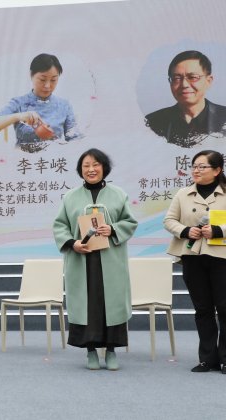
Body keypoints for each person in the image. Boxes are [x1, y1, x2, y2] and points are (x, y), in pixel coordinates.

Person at [53, 148, 137, 370]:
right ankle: (90, 351)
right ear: (80, 170)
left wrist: (113, 229)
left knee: (111, 305)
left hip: (111, 260)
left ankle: (111, 351)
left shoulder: (118, 194)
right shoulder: (70, 197)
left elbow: (130, 222)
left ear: (104, 168)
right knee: (87, 306)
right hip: (82, 260)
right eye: (86, 166)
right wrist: (73, 243)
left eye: (95, 165)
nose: (91, 169)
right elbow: (60, 225)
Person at [164, 150, 226, 374]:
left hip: (222, 257)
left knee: (225, 308)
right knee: (202, 309)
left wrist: (219, 230)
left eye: (202, 167)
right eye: (194, 166)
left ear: (217, 170)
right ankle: (207, 359)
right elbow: (169, 220)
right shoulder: (183, 193)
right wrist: (185, 230)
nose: (196, 170)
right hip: (193, 257)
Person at [0, 53, 80, 153]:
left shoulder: (64, 105)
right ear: (31, 75)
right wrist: (19, 116)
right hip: (24, 160)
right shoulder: (19, 103)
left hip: (54, 160)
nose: (47, 85)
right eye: (42, 79)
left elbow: (75, 140)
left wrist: (65, 145)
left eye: (53, 80)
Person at [145, 50, 226, 148]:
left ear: (208, 81)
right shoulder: (153, 122)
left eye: (193, 77)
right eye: (177, 78)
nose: (184, 84)